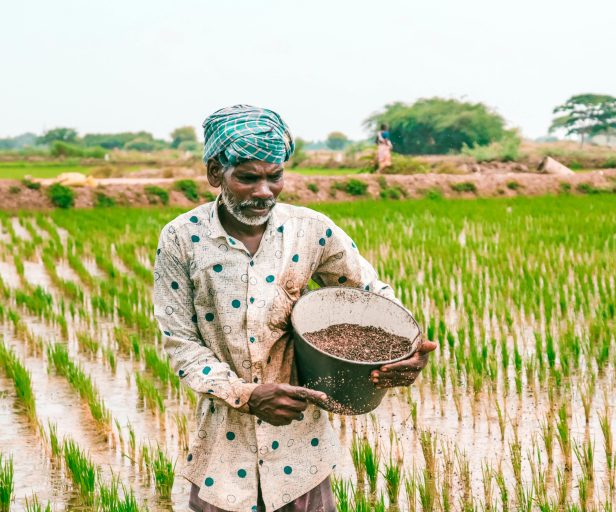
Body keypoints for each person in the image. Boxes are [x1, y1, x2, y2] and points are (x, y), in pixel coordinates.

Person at [152, 105, 436, 512]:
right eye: (248, 178)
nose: (264, 191)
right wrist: (246, 394)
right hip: (222, 456)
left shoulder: (310, 230)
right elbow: (180, 341)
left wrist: (407, 352)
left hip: (301, 455)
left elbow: (373, 296)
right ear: (216, 173)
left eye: (275, 176)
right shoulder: (183, 238)